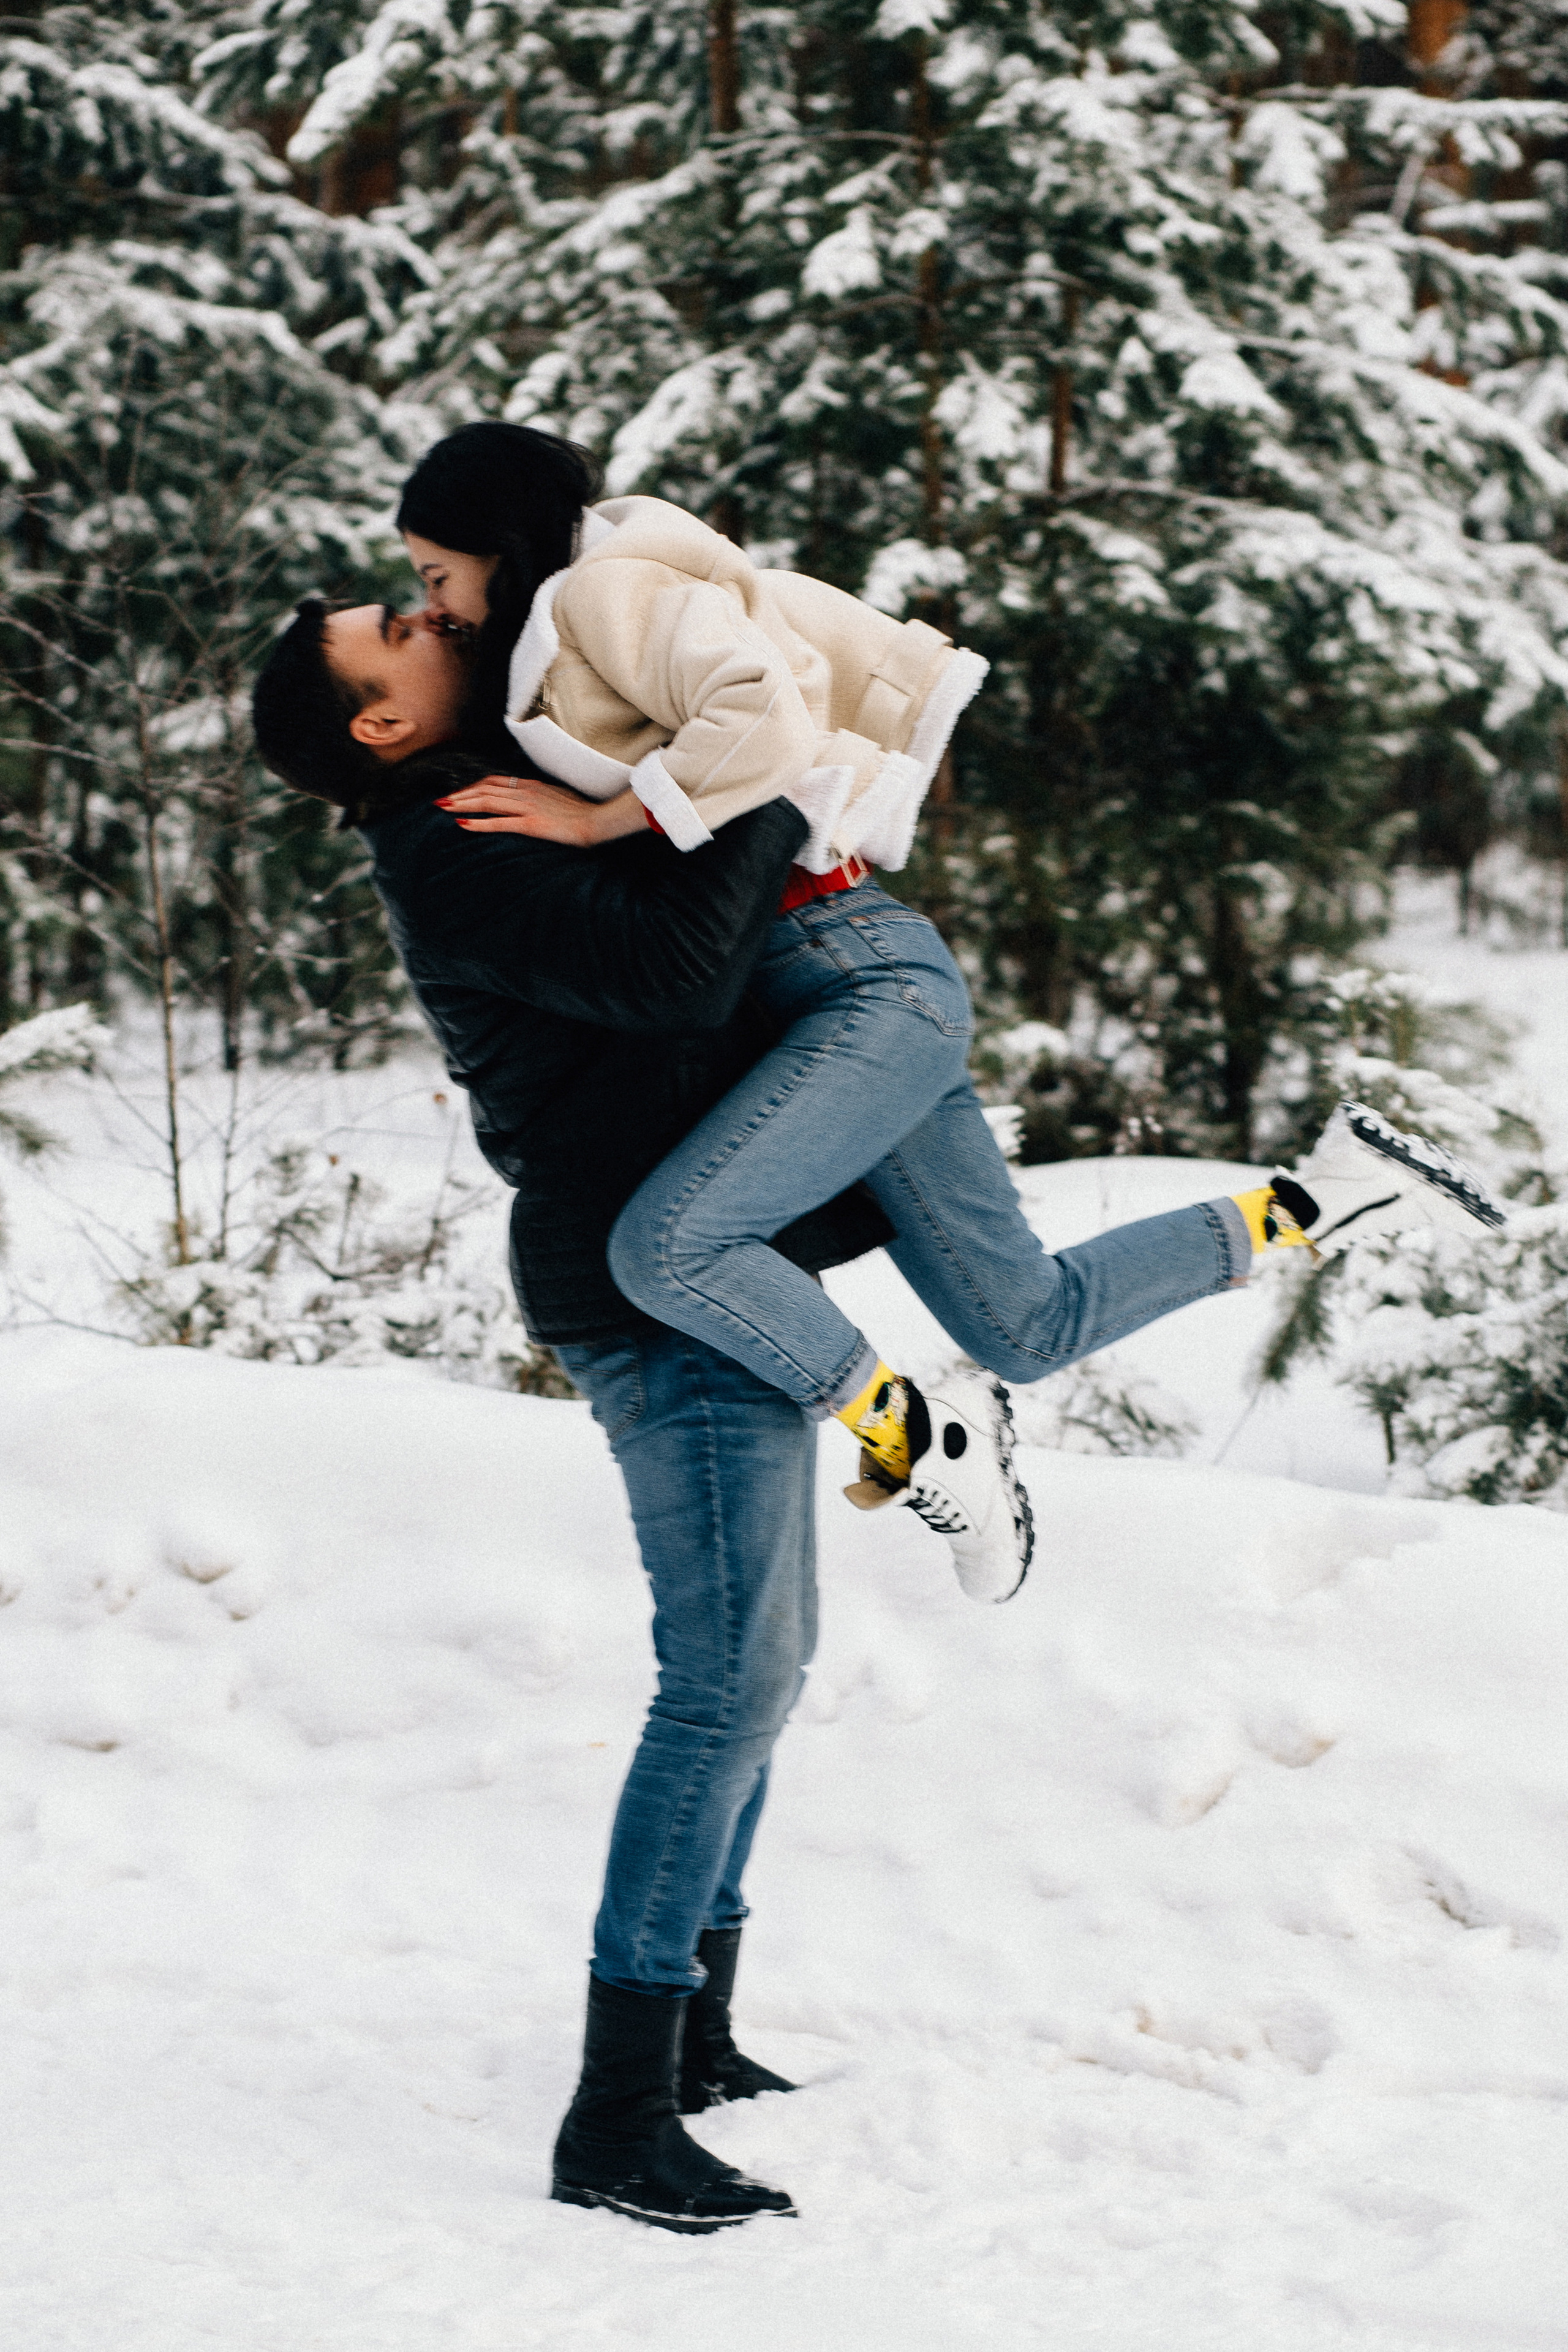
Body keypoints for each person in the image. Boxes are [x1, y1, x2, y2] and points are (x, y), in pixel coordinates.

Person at [250, 442, 1508, 2239]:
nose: (432, 617)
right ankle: (617, 2113)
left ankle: (696, 2041)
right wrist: (770, 783)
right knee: (724, 1687)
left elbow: (670, 857)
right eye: (400, 626)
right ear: (378, 725)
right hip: (640, 1288)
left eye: (425, 592)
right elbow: (677, 974)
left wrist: (710, 769)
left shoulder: (514, 769)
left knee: (757, 1673)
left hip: (699, 1260)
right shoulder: (454, 842)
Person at [391, 423, 1511, 1607]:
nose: (435, 604)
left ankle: (923, 1440)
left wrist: (599, 822)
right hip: (838, 989)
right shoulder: (565, 620)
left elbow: (763, 717)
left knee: (669, 1250)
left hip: (849, 970)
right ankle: (1329, 1196)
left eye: (436, 574)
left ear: (502, 542)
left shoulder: (601, 591)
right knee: (1025, 1324)